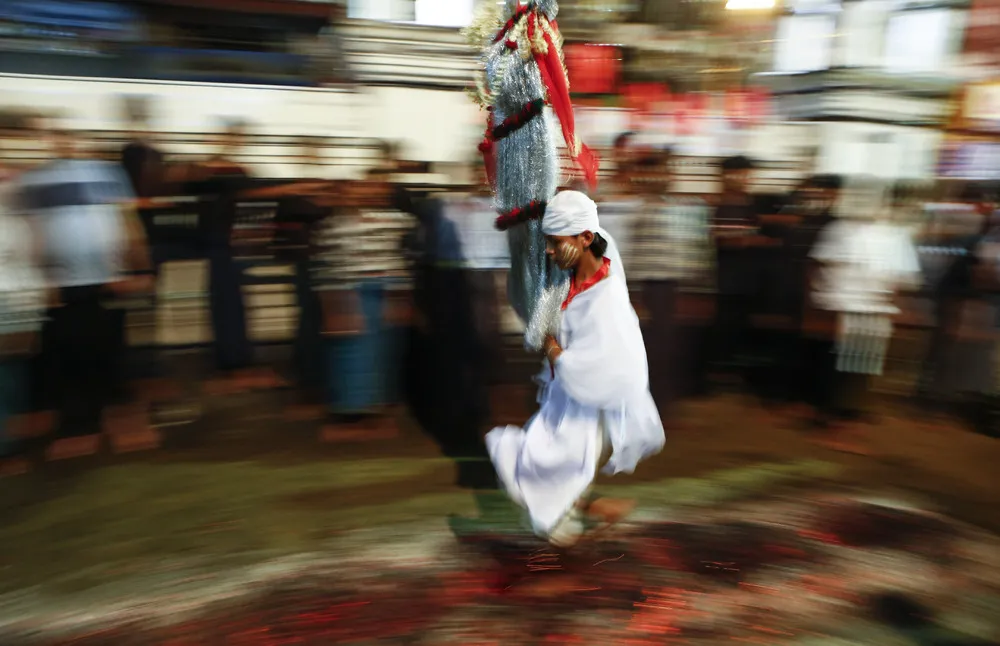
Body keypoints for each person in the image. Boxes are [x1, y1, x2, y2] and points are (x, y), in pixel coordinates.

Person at [486, 190, 665, 548]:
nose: (550, 251)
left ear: (585, 239)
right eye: (549, 243)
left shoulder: (606, 300)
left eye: (555, 243)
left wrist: (551, 344)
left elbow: (595, 365)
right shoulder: (581, 265)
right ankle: (585, 515)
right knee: (540, 462)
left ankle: (583, 520)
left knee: (548, 464)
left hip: (590, 402)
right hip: (565, 394)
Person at [806, 177, 922, 452]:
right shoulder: (847, 230)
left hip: (868, 309)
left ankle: (841, 422)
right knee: (849, 372)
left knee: (856, 370)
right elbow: (822, 268)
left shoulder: (887, 234)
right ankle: (837, 428)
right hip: (851, 308)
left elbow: (900, 279)